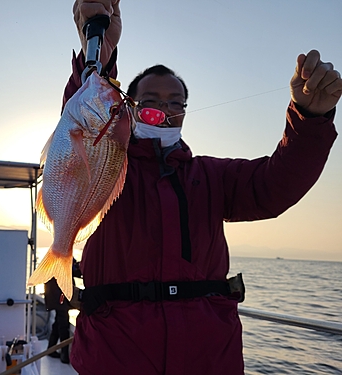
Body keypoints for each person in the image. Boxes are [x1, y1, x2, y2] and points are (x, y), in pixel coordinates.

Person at [65, 1, 340, 374]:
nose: (165, 109)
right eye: (150, 101)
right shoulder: (107, 165)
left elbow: (277, 185)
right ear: (128, 107)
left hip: (210, 358)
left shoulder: (212, 176)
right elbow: (82, 119)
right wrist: (98, 51)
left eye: (176, 102)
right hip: (114, 356)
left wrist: (310, 118)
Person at [44, 259, 82, 364]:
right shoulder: (62, 257)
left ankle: (51, 348)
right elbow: (72, 271)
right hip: (60, 296)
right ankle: (64, 354)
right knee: (63, 325)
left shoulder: (55, 256)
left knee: (58, 323)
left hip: (55, 295)